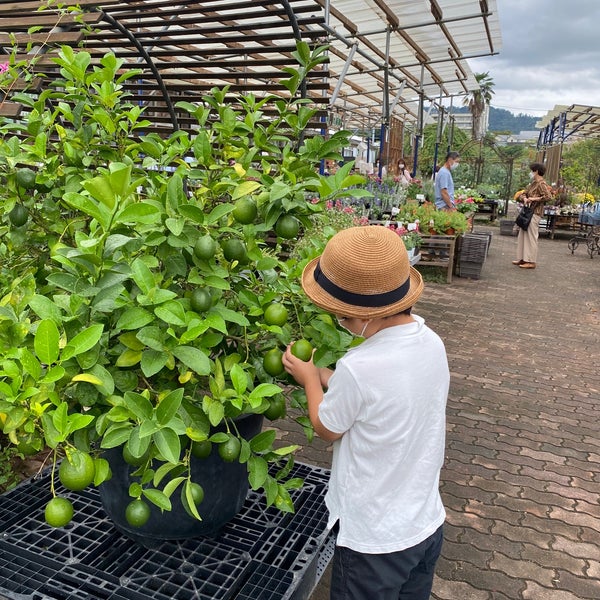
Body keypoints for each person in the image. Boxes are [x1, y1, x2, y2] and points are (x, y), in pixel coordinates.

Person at [282, 226, 449, 600]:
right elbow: (379, 393)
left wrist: (310, 379)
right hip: (424, 524)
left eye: (341, 318)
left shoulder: (361, 366)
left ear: (361, 318)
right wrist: (327, 376)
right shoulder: (430, 343)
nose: (341, 323)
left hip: (373, 543)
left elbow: (326, 427)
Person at [513, 162, 553, 269]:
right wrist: (525, 198)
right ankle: (522, 258)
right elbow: (523, 193)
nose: (531, 173)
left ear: (536, 171)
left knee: (531, 236)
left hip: (535, 212)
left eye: (532, 171)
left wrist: (534, 199)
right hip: (528, 211)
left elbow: (548, 197)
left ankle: (531, 261)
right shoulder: (533, 183)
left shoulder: (541, 184)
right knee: (523, 234)